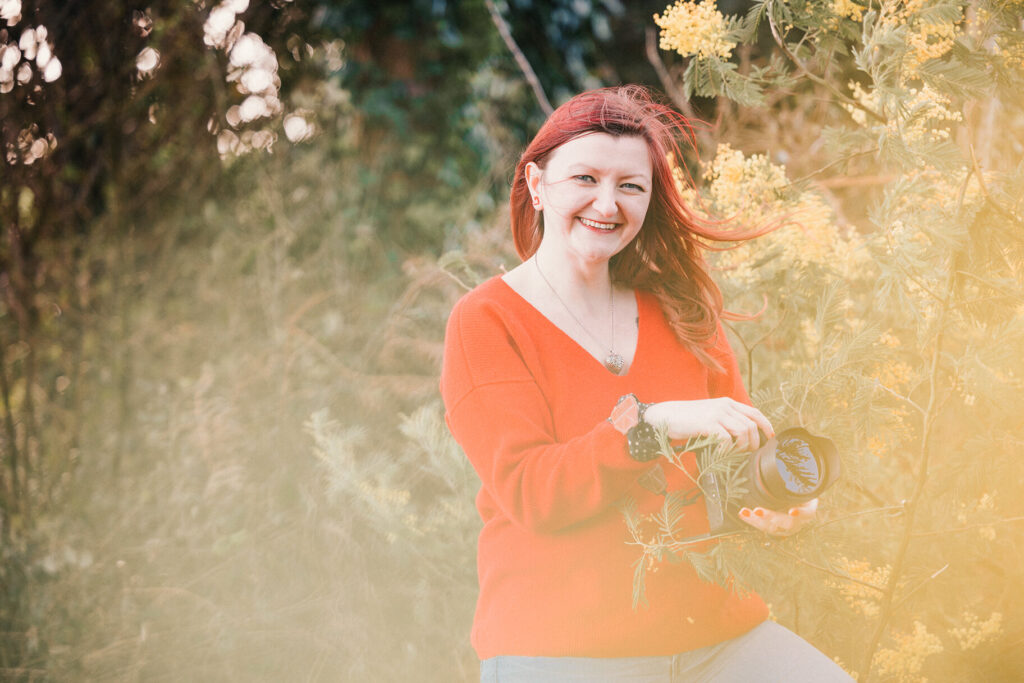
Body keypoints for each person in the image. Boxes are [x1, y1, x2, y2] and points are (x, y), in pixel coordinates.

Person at [440, 86, 852, 682]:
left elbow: (731, 469)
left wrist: (775, 500)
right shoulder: (486, 321)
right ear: (536, 185)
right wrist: (651, 424)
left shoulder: (679, 312)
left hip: (719, 638)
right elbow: (532, 492)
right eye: (585, 178)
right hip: (563, 650)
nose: (607, 204)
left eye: (630, 186)